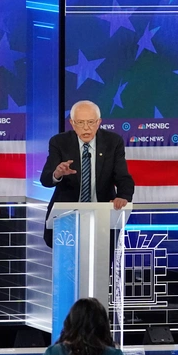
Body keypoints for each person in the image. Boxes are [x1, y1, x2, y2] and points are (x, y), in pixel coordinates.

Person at [39, 100, 135, 247]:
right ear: (72, 123)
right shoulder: (59, 142)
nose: (86, 128)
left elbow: (123, 176)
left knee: (101, 265)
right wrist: (57, 173)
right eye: (80, 123)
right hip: (67, 217)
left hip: (102, 216)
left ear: (99, 122)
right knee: (68, 265)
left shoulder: (113, 142)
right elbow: (45, 179)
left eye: (91, 122)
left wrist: (123, 196)